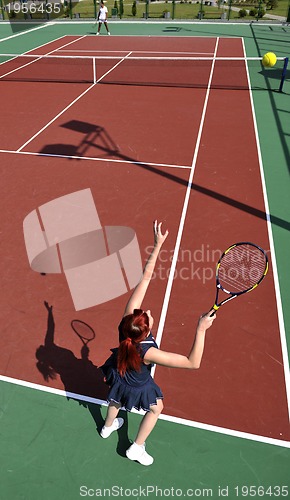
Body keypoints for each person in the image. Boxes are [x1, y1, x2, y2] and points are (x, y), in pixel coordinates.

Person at [100, 221, 216, 466]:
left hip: (118, 372)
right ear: (146, 330)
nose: (149, 311)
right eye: (148, 315)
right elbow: (192, 363)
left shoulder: (124, 324)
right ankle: (136, 448)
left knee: (115, 398)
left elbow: (145, 279)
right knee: (156, 409)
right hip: (139, 385)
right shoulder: (149, 352)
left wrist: (157, 245)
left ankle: (107, 427)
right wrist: (201, 329)